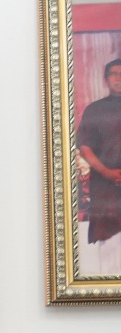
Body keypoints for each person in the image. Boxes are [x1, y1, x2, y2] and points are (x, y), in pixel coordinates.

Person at [78, 59, 121, 271]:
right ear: (106, 79)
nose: (118, 78)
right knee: (110, 252)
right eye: (114, 74)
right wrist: (108, 173)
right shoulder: (95, 110)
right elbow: (85, 147)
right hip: (106, 189)